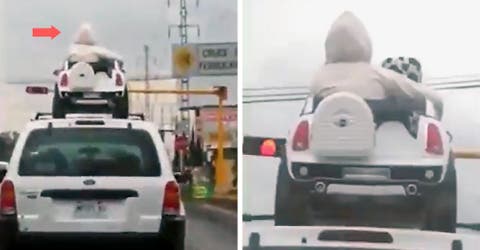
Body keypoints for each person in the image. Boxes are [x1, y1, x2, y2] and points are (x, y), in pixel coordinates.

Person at [311, 11, 443, 122]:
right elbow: (434, 99)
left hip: (324, 146)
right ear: (365, 43)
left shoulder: (317, 78)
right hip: (380, 148)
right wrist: (436, 120)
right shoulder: (376, 74)